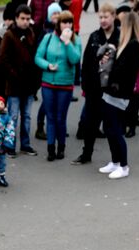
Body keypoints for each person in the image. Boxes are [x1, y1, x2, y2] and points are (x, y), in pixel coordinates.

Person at [72, 3, 121, 161]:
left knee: (111, 125)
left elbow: (124, 63)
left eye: (106, 17)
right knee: (90, 123)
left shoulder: (120, 37)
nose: (103, 20)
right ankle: (87, 154)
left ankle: (116, 158)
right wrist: (85, 84)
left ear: (113, 17)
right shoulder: (94, 36)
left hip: (111, 89)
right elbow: (86, 62)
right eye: (100, 17)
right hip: (94, 88)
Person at [97, 8, 139, 176]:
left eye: (122, 23)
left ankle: (123, 166)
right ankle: (115, 161)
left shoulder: (133, 45)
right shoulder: (125, 43)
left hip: (119, 93)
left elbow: (125, 71)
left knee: (115, 129)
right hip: (112, 91)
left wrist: (111, 65)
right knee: (109, 128)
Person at [36, 9, 81, 159]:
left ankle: (61, 146)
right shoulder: (48, 37)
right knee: (50, 117)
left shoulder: (76, 40)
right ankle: (50, 148)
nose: (67, 25)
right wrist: (48, 65)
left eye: (69, 22)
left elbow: (75, 60)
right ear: (59, 24)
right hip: (48, 83)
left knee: (61, 118)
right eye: (64, 22)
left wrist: (67, 42)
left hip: (65, 85)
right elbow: (37, 57)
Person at [0, 2, 40, 154]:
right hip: (15, 84)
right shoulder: (9, 35)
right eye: (22, 18)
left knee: (27, 117)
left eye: (28, 19)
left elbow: (34, 56)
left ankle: (25, 144)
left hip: (28, 84)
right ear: (16, 18)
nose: (25, 21)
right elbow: (3, 59)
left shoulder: (31, 33)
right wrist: (14, 74)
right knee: (13, 117)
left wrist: (35, 79)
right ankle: (10, 146)